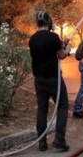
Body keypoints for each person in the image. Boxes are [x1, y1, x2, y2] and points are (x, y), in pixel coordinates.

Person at [28, 11, 71, 152]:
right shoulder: (53, 37)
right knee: (63, 105)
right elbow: (62, 55)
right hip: (53, 78)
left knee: (42, 108)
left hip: (39, 79)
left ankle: (42, 142)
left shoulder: (32, 39)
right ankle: (59, 139)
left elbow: (45, 51)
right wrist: (67, 49)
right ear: (49, 22)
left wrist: (60, 44)